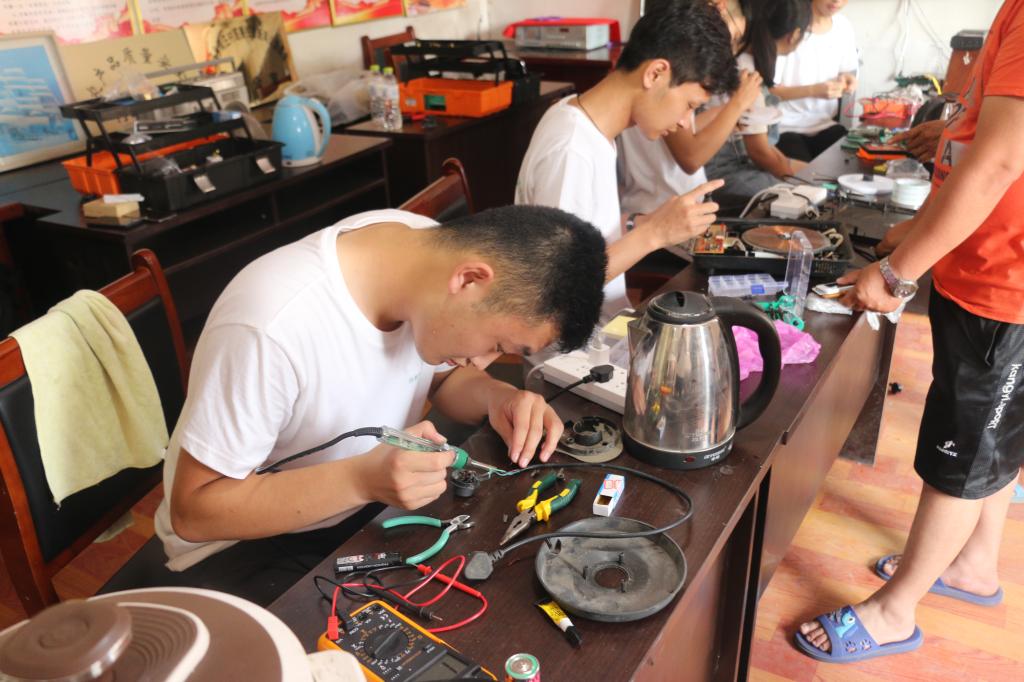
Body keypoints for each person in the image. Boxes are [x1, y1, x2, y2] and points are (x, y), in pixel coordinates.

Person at [147, 205, 606, 603]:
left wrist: (496, 397)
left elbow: (441, 376)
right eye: (497, 344)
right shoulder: (271, 326)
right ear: (469, 279)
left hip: (361, 506)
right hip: (241, 546)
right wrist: (361, 479)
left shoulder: (421, 254)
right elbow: (195, 512)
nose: (483, 361)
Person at [796, 0, 1024, 663]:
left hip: (1006, 284)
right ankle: (972, 564)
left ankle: (894, 614)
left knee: (964, 451)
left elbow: (1000, 163)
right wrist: (948, 140)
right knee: (987, 437)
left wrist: (898, 274)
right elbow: (992, 136)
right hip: (984, 266)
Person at [516, 0, 737, 317]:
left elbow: (585, 231)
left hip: (608, 323)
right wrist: (654, 233)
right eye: (689, 105)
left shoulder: (585, 121)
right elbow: (557, 288)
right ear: (655, 73)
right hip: (580, 343)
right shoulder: (571, 149)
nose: (685, 123)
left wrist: (641, 223)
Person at [617, 1, 764, 220]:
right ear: (719, 8)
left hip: (669, 207)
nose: (730, 53)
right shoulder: (675, 59)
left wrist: (724, 113)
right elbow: (691, 157)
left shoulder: (667, 57)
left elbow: (684, 129)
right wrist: (737, 104)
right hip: (659, 209)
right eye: (732, 39)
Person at [703, 0, 813, 207]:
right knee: (801, 199)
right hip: (722, 170)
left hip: (738, 163)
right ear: (795, 34)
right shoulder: (746, 70)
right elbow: (760, 152)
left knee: (812, 179)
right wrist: (802, 184)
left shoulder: (749, 62)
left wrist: (802, 174)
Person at [771, 0, 859, 161]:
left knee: (850, 161)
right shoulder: (788, 24)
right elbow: (769, 92)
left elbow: (845, 71)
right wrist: (815, 90)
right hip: (784, 126)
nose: (837, 1)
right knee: (802, 173)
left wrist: (847, 80)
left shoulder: (843, 26)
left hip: (825, 123)